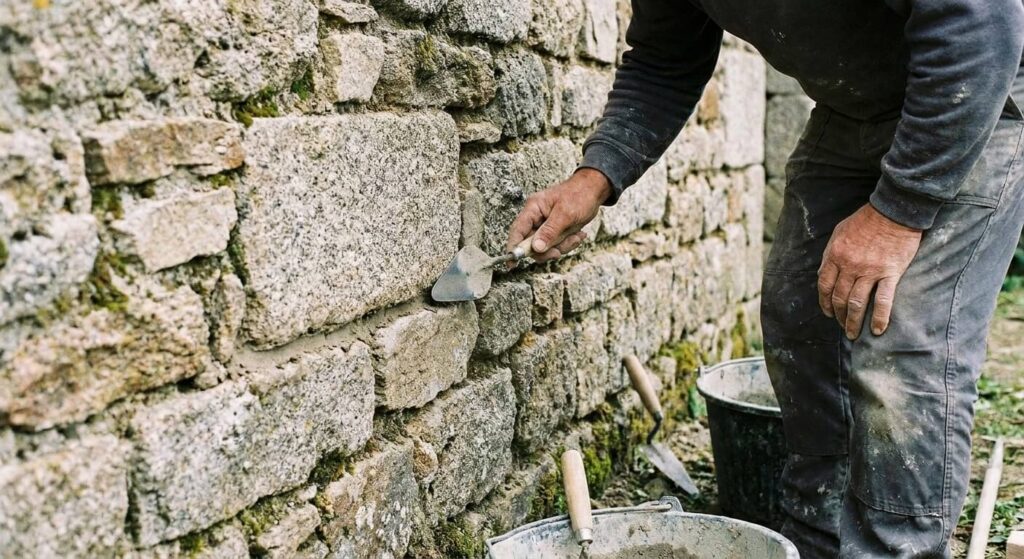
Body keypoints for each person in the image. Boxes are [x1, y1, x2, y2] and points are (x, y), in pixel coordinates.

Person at [505, 1, 1024, 557]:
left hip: (980, 99)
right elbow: (664, 58)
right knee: (799, 311)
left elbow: (980, 26)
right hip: (851, 112)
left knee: (900, 343)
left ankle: (896, 549)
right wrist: (595, 178)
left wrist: (897, 214)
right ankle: (819, 540)